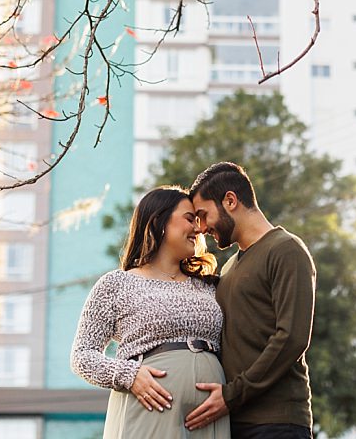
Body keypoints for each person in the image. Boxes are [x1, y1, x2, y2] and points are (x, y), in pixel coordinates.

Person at [70, 186, 231, 439]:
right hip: (150, 408)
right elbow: (82, 356)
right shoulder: (116, 284)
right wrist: (128, 375)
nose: (199, 229)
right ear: (159, 221)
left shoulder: (210, 285)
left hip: (210, 414)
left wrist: (232, 395)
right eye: (190, 219)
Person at [184, 162, 317, 439]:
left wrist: (232, 395)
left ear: (230, 200)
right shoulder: (230, 265)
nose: (203, 227)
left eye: (203, 215)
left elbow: (291, 338)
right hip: (232, 420)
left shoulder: (286, 250)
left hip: (277, 423)